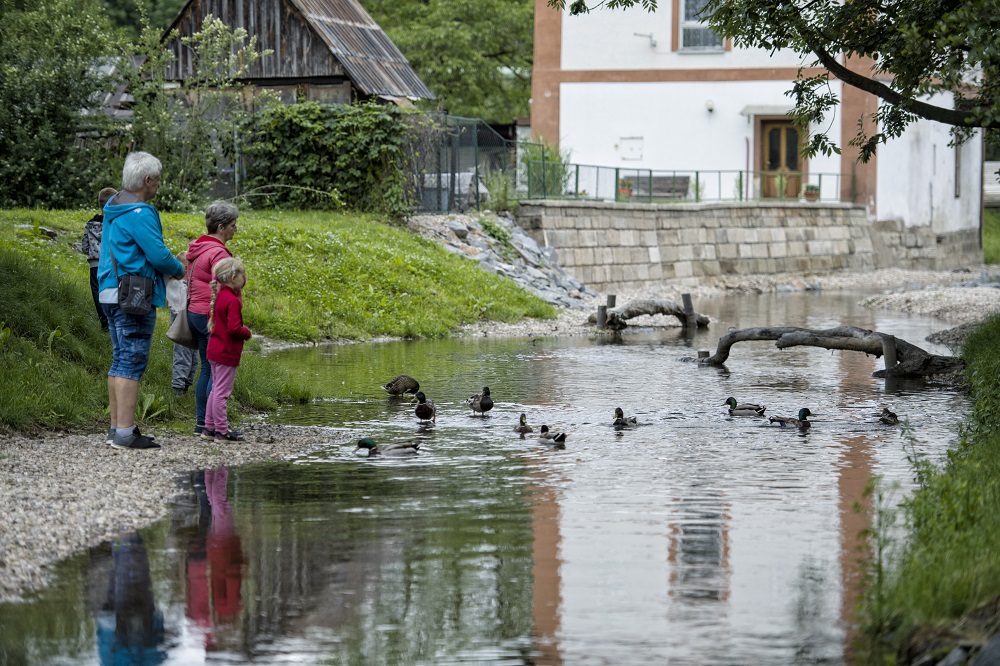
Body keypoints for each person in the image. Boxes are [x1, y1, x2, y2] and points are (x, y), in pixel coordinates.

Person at [97, 151, 187, 451]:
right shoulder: (141, 212)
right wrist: (179, 268)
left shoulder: (113, 205)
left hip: (109, 290)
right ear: (147, 180)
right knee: (131, 361)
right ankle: (124, 432)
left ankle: (116, 428)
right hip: (133, 295)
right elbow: (158, 256)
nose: (158, 185)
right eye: (157, 179)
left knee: (119, 359)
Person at [186, 201, 239, 435]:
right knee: (216, 372)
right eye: (233, 225)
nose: (235, 229)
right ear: (220, 227)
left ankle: (202, 424)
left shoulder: (199, 247)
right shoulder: (217, 252)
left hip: (194, 313)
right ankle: (215, 427)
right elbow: (228, 281)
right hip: (209, 317)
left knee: (207, 369)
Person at [202, 258, 251, 442]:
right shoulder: (232, 301)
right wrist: (247, 333)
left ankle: (209, 428)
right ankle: (222, 431)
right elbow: (234, 329)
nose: (244, 279)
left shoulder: (220, 295)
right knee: (222, 393)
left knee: (215, 389)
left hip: (214, 350)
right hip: (226, 352)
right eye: (242, 275)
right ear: (233, 278)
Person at [80, 187, 119, 332]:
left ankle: (104, 323)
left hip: (95, 265)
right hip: (111, 265)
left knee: (97, 292)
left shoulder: (90, 224)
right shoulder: (115, 224)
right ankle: (115, 319)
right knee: (112, 290)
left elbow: (84, 246)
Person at [166, 276, 197, 395]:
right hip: (181, 323)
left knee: (193, 354)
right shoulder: (177, 285)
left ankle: (186, 384)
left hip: (193, 317)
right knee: (182, 353)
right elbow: (174, 305)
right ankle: (178, 387)